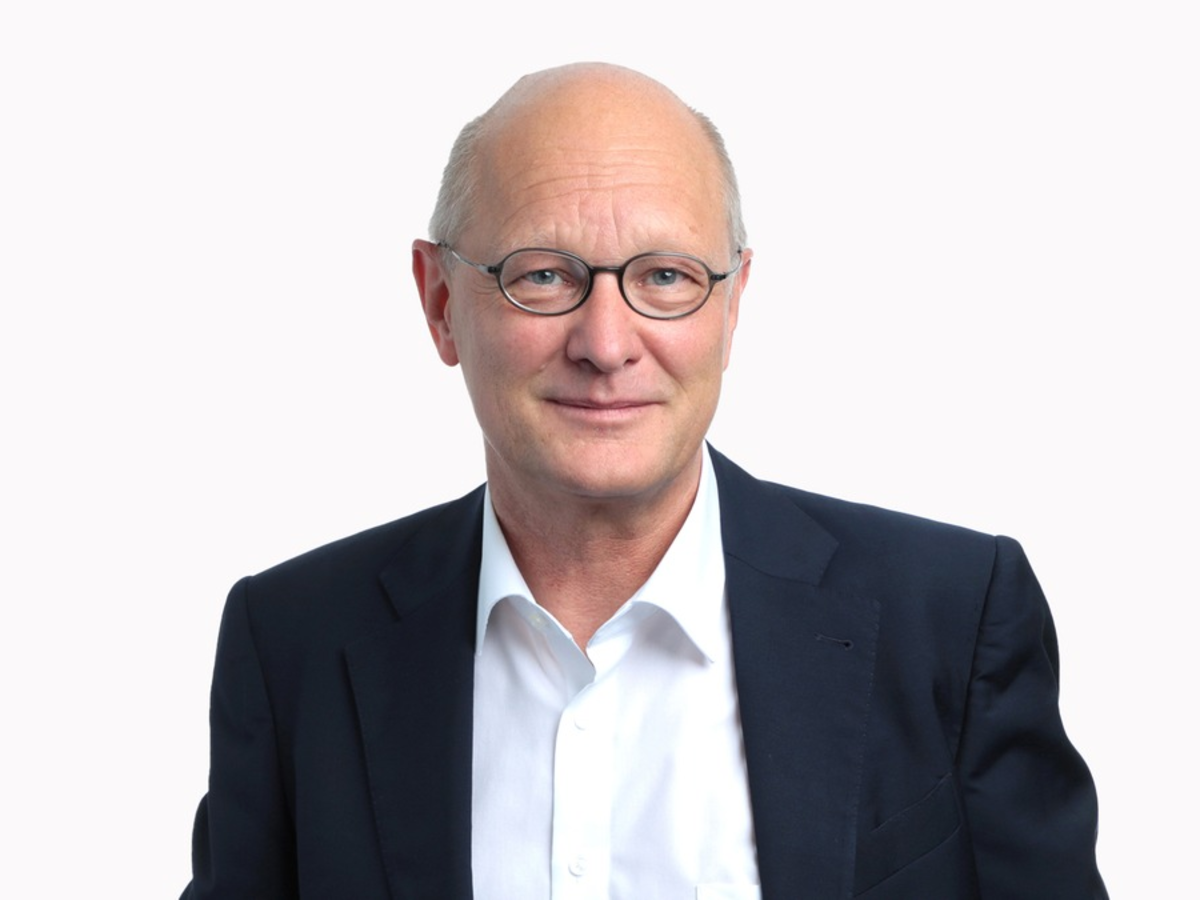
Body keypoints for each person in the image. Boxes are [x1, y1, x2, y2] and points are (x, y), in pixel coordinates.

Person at [181, 63, 1106, 899]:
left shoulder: (950, 621)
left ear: (733, 305)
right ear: (439, 302)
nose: (606, 343)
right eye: (544, 276)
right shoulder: (295, 644)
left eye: (665, 276)